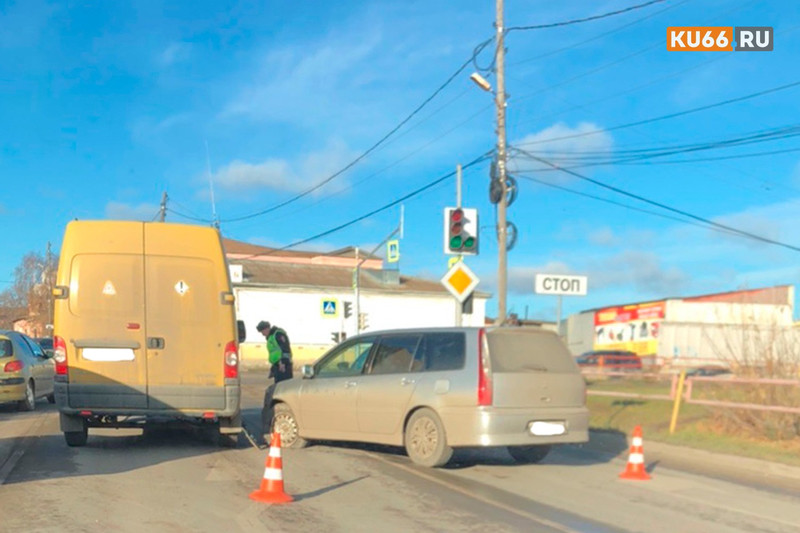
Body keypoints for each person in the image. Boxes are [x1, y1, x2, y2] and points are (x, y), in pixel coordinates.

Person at [257, 320, 293, 443]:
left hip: (283, 366)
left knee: (284, 388)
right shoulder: (270, 336)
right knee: (279, 387)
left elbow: (285, 349)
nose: (262, 334)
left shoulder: (278, 334)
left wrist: (282, 363)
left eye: (263, 331)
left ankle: (285, 409)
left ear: (267, 328)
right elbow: (274, 352)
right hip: (278, 366)